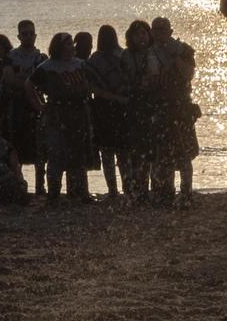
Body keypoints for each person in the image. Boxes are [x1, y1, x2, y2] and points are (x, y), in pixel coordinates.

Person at [28, 32, 94, 203]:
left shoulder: (80, 64)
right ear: (58, 46)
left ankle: (79, 192)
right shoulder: (47, 66)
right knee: (56, 153)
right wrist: (40, 106)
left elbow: (91, 83)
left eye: (72, 43)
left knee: (78, 154)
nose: (71, 46)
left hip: (79, 113)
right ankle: (54, 195)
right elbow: (29, 85)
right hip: (57, 114)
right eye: (68, 43)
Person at [151, 18, 200, 203]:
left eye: (162, 29)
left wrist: (174, 57)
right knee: (164, 155)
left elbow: (189, 74)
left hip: (181, 107)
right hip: (160, 107)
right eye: (155, 30)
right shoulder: (149, 52)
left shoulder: (184, 50)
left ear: (170, 31)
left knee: (185, 153)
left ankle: (186, 193)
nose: (159, 33)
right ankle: (168, 192)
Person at [84, 24, 133, 198]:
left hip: (103, 108)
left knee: (108, 153)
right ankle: (127, 188)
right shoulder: (123, 55)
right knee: (123, 152)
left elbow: (93, 89)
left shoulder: (94, 60)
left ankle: (113, 190)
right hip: (121, 107)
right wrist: (121, 98)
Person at [120, 20, 161, 202]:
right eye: (137, 34)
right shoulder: (126, 55)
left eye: (144, 33)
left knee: (155, 148)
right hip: (135, 105)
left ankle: (156, 188)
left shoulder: (155, 53)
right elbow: (123, 79)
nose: (141, 37)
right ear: (131, 37)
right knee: (137, 150)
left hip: (155, 103)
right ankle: (140, 189)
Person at [7, 20, 45, 194]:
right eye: (24, 34)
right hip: (16, 105)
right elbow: (8, 79)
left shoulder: (41, 57)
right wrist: (28, 81)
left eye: (31, 33)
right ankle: (18, 183)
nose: (28, 36)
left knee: (39, 146)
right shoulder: (11, 56)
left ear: (35, 35)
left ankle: (40, 185)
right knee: (15, 145)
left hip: (35, 104)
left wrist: (22, 79)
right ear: (18, 36)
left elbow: (43, 83)